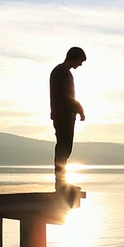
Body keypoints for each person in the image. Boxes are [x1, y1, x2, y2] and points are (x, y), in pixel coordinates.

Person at [50, 47, 86, 191]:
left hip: (64, 115)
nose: (80, 65)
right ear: (74, 58)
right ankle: (61, 183)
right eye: (80, 61)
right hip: (63, 115)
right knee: (63, 149)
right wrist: (80, 110)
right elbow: (66, 97)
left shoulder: (62, 72)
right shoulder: (62, 73)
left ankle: (61, 182)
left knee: (64, 149)